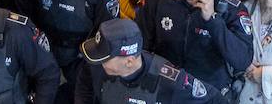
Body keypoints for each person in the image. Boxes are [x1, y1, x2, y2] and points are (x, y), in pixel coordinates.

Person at [135, 0, 253, 98]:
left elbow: (242, 60)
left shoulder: (232, 9)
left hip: (208, 94)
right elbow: (140, 44)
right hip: (165, 89)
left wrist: (212, 20)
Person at [74, 17, 220, 104]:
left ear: (129, 61)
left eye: (106, 57)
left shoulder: (170, 81)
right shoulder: (98, 64)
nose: (98, 61)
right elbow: (84, 83)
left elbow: (213, 99)